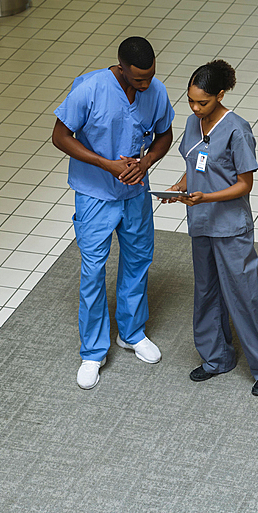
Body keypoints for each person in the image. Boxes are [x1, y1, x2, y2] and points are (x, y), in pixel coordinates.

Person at [52, 36, 175, 390]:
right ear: (121, 68)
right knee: (93, 271)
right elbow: (60, 136)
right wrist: (104, 163)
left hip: (134, 193)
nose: (146, 84)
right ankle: (93, 351)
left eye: (150, 76)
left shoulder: (155, 91)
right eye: (138, 79)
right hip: (95, 195)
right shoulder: (89, 90)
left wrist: (147, 160)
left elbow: (164, 134)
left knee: (138, 261)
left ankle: (132, 333)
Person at [164, 59, 258, 397]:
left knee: (243, 295)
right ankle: (217, 357)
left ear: (220, 95)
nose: (195, 107)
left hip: (230, 226)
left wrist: (206, 197)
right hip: (201, 222)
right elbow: (195, 163)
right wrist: (179, 186)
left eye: (202, 101)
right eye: (190, 100)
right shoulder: (193, 123)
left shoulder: (237, 129)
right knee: (206, 292)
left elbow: (244, 184)